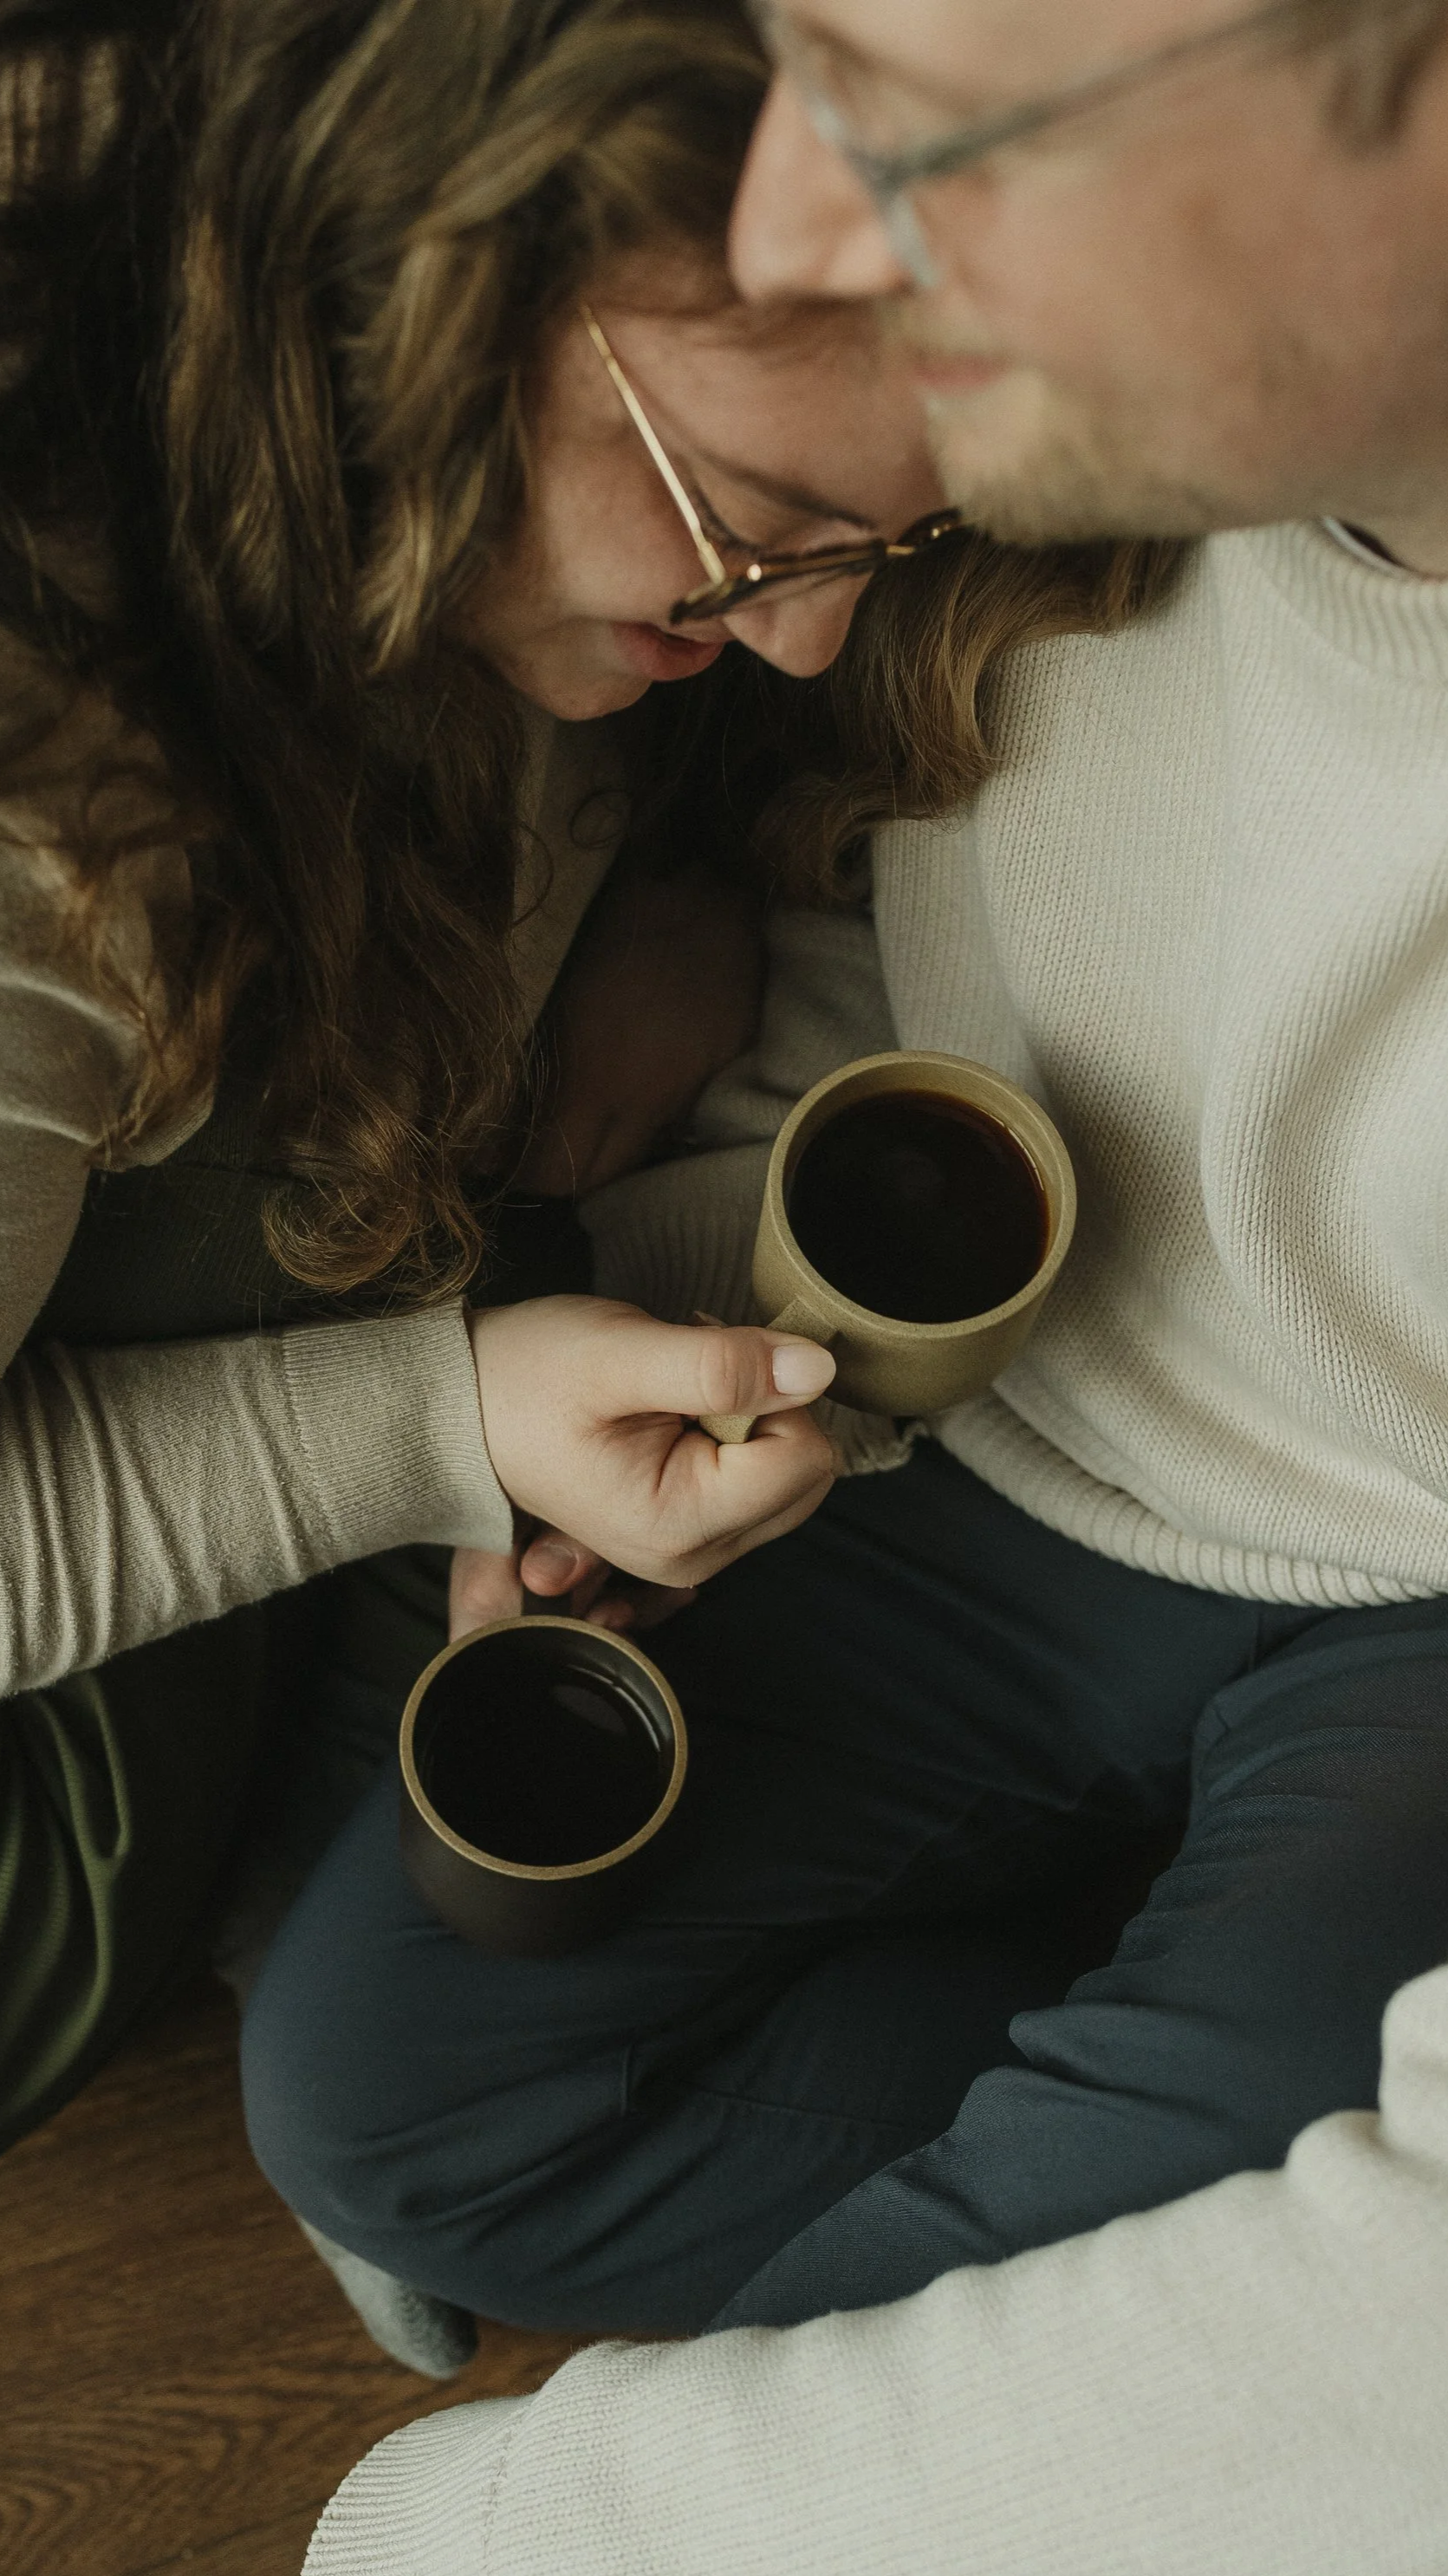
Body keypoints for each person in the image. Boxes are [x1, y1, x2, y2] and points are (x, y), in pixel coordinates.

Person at [279, 1, 1448, 2566]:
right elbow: (971, 954)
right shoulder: (1078, 464)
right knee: (374, 2097)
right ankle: (1146, 2083)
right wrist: (664, 1216)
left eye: (912, 115)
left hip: (1411, 1613)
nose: (792, 223)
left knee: (1051, 2279)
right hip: (1010, 1438)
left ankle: (1152, 2105)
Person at [0, 0, 973, 2180]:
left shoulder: (475, 459)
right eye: (748, 528)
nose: (805, 640)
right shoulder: (44, 803)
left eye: (877, 549)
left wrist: (677, 858)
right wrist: (434, 1424)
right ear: (437, 273)